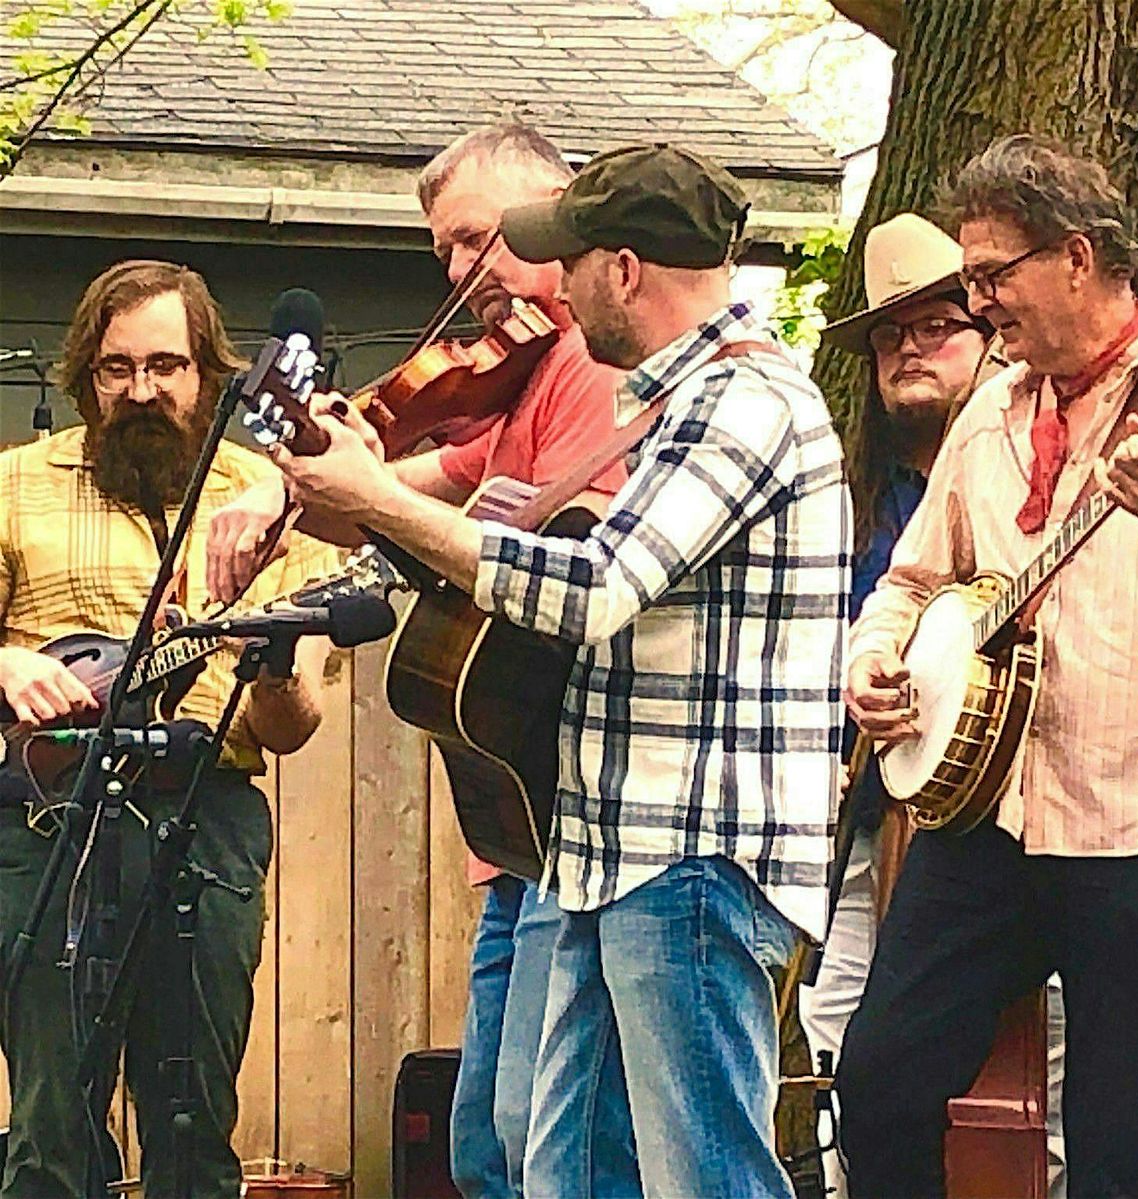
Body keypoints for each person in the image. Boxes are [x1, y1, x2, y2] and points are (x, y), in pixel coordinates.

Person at [251, 142, 851, 1198]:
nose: (557, 287)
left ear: (624, 268)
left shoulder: (746, 402)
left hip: (692, 853)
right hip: (608, 848)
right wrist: (372, 502)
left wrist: (381, 498)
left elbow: (596, 588)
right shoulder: (666, 405)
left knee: (707, 1178)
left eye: (571, 260)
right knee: (562, 1173)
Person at [206, 123, 637, 1199]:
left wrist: (366, 495)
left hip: (574, 812)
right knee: (486, 1141)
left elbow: (557, 564)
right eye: (442, 250)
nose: (456, 273)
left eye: (476, 240)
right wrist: (286, 483)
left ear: (552, 222)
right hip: (517, 830)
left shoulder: (588, 367)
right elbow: (390, 497)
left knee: (544, 1144)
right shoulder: (516, 388)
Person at [837, 134, 1138, 1199]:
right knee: (879, 1083)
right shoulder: (990, 410)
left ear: (1077, 257)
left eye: (995, 274)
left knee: (1115, 1149)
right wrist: (876, 656)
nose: (979, 301)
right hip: (986, 818)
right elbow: (913, 579)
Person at [0, 259, 339, 1198]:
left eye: (166, 365)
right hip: (46, 825)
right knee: (51, 1125)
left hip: (204, 819)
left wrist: (275, 666)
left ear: (208, 373)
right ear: (86, 375)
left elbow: (290, 727)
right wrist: (7, 663)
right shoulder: (15, 483)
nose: (142, 390)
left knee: (193, 1123)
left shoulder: (270, 500)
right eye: (117, 368)